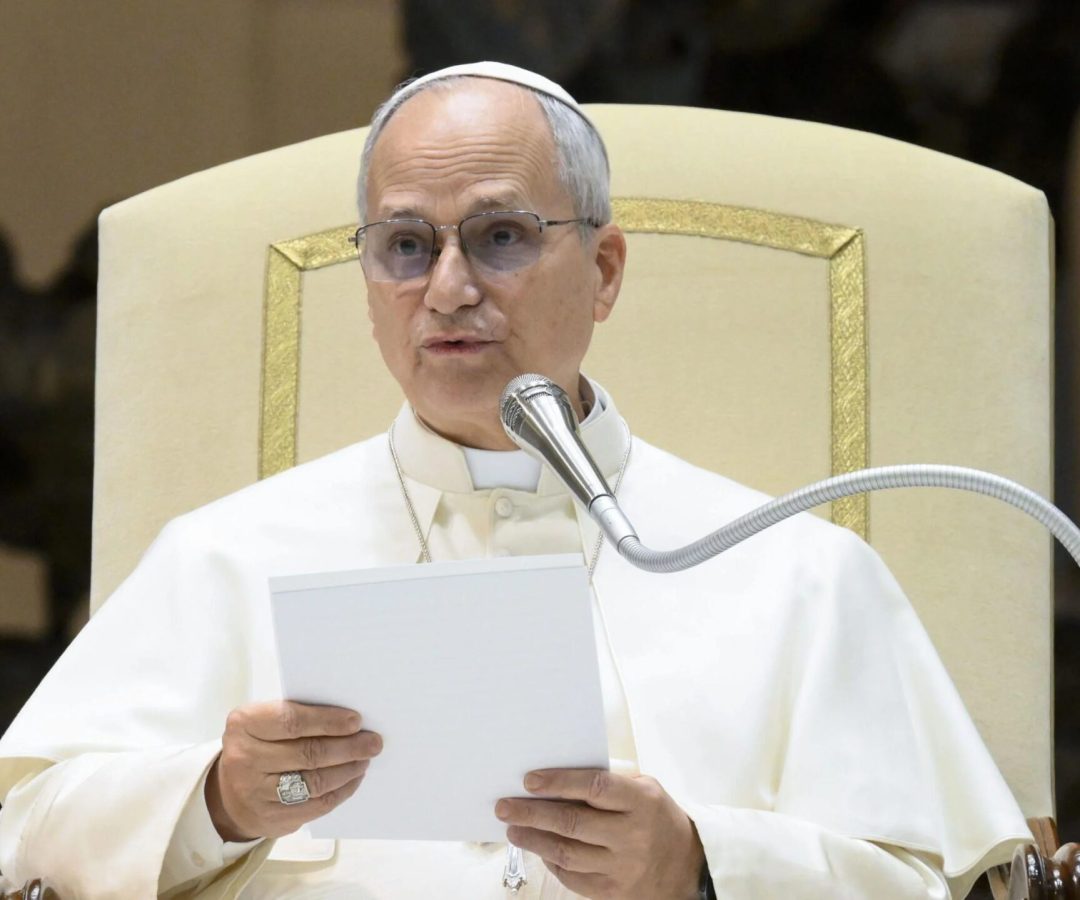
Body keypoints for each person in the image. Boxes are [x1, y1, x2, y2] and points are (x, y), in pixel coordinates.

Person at [0, 62, 1031, 900]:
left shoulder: (799, 574)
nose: (448, 291)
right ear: (370, 286)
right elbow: (30, 842)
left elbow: (936, 883)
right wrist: (216, 800)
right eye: (405, 247)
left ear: (607, 270)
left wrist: (703, 867)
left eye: (499, 237)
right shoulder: (222, 556)